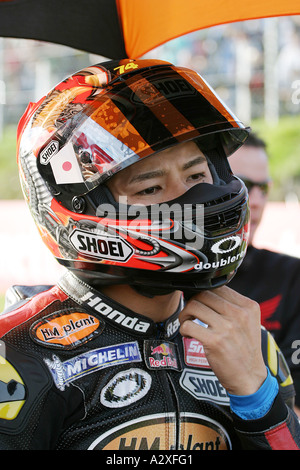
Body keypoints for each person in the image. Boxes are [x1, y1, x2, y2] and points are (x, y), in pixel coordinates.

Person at [0, 59, 299, 451]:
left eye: (196, 176)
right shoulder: (21, 355)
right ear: (83, 210)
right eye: (151, 188)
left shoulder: (247, 339)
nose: (192, 199)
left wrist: (257, 400)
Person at [229, 133, 300, 414]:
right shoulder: (161, 279)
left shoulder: (291, 276)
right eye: (244, 186)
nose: (256, 201)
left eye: (263, 189)